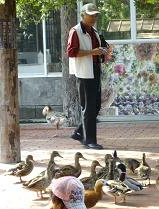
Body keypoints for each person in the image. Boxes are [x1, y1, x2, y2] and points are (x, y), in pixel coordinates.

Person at [67, 3, 109, 150]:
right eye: (90, 14)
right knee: (89, 107)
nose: (93, 17)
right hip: (84, 73)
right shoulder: (76, 31)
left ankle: (80, 132)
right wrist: (92, 52)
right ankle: (89, 140)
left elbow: (99, 50)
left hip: (95, 70)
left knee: (96, 106)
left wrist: (104, 52)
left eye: (95, 15)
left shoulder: (94, 31)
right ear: (82, 14)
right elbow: (71, 52)